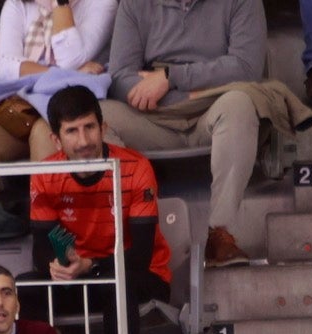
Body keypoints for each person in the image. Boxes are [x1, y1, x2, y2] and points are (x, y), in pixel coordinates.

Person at [23, 85, 172, 334]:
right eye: (72, 131)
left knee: (118, 282)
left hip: (139, 274)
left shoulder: (136, 167)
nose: (84, 141)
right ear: (56, 139)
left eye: (90, 127)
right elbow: (41, 249)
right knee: (25, 286)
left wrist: (90, 265)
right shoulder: (45, 174)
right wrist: (57, 265)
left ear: (103, 128)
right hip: (82, 276)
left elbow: (141, 254)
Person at [99, 0, 270, 269]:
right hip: (154, 115)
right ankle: (136, 232)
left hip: (213, 107)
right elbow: (120, 78)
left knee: (240, 104)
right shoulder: (133, 4)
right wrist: (181, 95)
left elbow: (246, 68)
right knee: (100, 118)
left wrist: (169, 78)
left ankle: (220, 233)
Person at [0, 0, 113, 205]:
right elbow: (4, 65)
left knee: (43, 134)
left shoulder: (102, 3)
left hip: (70, 110)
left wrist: (60, 6)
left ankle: (48, 228)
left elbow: (70, 58)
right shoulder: (17, 4)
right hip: (25, 105)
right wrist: (65, 74)